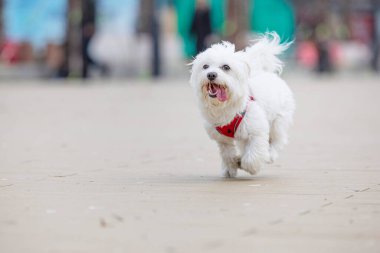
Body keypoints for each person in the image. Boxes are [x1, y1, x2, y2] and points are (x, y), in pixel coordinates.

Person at [81, 0, 109, 78]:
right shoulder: (85, 3)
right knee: (84, 52)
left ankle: (99, 68)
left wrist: (90, 26)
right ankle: (97, 68)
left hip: (87, 30)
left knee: (84, 52)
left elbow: (91, 15)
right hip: (83, 29)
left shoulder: (90, 3)